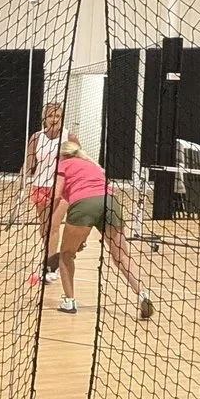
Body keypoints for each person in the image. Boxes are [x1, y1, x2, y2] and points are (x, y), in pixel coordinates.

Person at [46, 135, 153, 321]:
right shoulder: (92, 165)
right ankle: (143, 294)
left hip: (84, 205)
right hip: (111, 202)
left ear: (62, 156)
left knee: (66, 255)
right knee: (121, 257)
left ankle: (69, 302)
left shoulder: (62, 165)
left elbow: (57, 195)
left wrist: (50, 217)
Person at [21, 99, 65, 264]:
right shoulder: (37, 137)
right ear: (44, 119)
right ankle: (49, 256)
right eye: (50, 116)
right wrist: (22, 179)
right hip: (40, 185)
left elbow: (79, 161)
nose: (54, 119)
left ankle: (51, 264)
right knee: (45, 226)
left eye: (58, 116)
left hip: (60, 187)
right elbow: (30, 161)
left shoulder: (68, 137)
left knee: (53, 226)